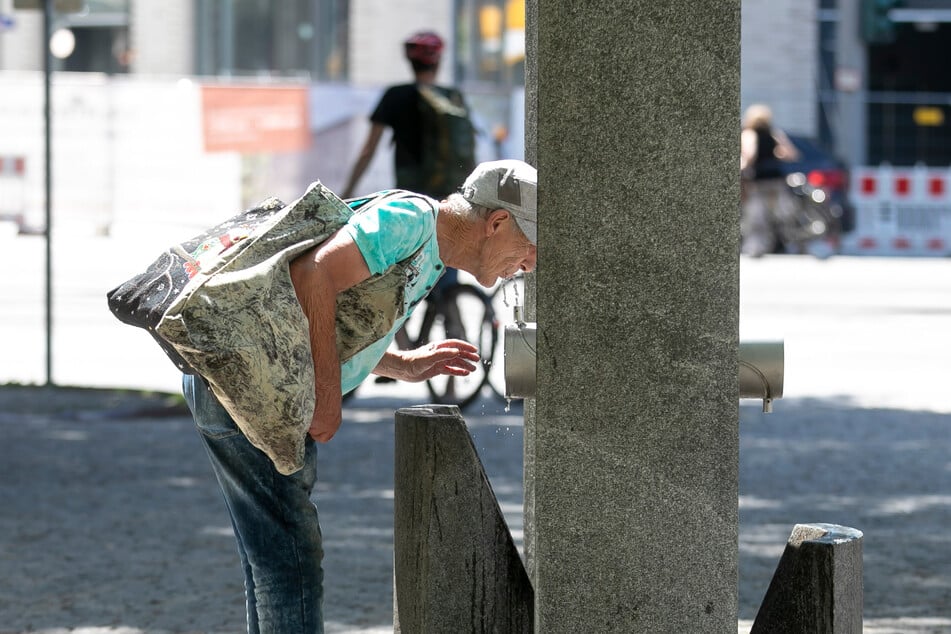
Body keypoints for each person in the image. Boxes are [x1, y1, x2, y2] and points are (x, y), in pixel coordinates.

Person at [182, 159, 537, 633]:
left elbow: (333, 319)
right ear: (496, 223)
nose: (529, 264)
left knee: (271, 556)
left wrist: (401, 364)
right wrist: (328, 397)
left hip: (240, 378)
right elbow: (314, 275)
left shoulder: (430, 250)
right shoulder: (411, 220)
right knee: (289, 558)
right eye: (530, 246)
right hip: (247, 383)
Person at [739, 104, 800, 256]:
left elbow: (749, 155)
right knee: (778, 213)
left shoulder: (749, 134)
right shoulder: (774, 134)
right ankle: (781, 245)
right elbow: (792, 154)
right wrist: (776, 154)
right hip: (776, 179)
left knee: (756, 214)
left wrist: (743, 167)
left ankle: (756, 247)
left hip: (759, 181)